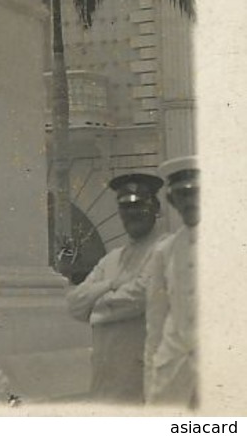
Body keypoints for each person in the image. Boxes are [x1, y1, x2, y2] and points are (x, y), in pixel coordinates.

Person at [66, 172, 166, 403]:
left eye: (139, 205)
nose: (132, 213)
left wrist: (94, 309)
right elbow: (74, 303)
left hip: (141, 378)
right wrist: (110, 284)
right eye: (125, 207)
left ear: (156, 208)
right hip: (104, 378)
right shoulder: (111, 259)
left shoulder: (164, 249)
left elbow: (139, 296)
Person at [144, 155, 199, 407]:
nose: (190, 201)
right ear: (172, 200)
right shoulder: (164, 251)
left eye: (195, 193)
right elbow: (155, 321)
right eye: (182, 195)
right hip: (172, 372)